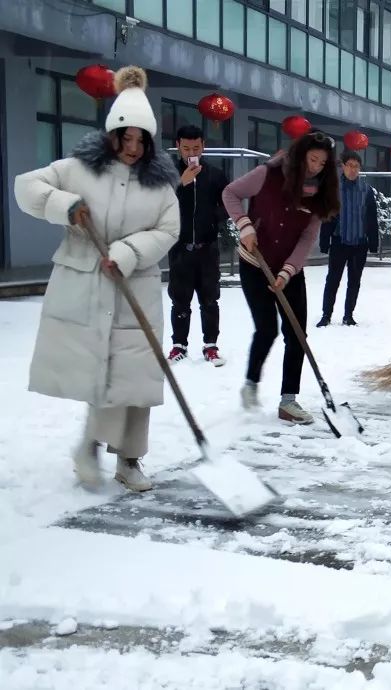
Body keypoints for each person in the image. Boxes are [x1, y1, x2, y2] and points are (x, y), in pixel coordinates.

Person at [13, 66, 180, 491]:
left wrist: (127, 252)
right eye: (126, 138)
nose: (133, 148)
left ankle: (130, 460)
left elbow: (168, 230)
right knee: (100, 376)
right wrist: (66, 205)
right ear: (112, 135)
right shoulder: (77, 169)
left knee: (137, 378)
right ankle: (88, 447)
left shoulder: (159, 186)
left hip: (134, 287)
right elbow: (27, 187)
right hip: (86, 283)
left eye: (141, 140)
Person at [223, 131, 340, 425]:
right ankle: (251, 383)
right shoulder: (269, 174)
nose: (316, 167)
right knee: (266, 329)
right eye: (313, 159)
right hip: (255, 262)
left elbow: (306, 239)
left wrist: (288, 272)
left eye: (322, 163)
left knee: (297, 333)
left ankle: (288, 401)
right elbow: (230, 193)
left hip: (288, 268)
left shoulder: (320, 194)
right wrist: (245, 226)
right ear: (301, 155)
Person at [167, 124, 231, 365]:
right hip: (180, 247)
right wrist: (181, 184)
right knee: (180, 300)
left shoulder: (215, 174)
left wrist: (212, 216)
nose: (191, 152)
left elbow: (228, 204)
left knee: (209, 299)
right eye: (186, 148)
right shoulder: (170, 174)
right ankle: (178, 345)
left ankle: (210, 346)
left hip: (207, 247)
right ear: (178, 147)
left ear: (203, 146)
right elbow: (160, 204)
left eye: (196, 147)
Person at [317, 150, 379, 327]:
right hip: (339, 242)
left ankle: (348, 315)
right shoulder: (334, 189)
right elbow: (327, 217)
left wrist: (373, 242)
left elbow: (371, 217)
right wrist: (324, 241)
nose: (353, 170)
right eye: (350, 165)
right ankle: (326, 315)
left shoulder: (366, 190)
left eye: (356, 166)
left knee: (354, 281)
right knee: (333, 280)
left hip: (360, 243)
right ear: (342, 166)